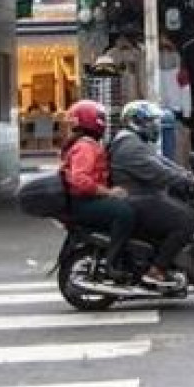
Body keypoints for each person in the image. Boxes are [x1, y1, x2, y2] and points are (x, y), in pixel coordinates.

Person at [108, 100, 194, 287]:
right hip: (138, 199)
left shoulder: (134, 142)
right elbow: (159, 172)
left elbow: (163, 163)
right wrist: (188, 181)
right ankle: (157, 270)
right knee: (188, 220)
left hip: (143, 196)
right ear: (136, 122)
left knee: (180, 208)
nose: (155, 126)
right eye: (151, 122)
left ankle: (166, 261)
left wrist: (191, 176)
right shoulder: (130, 147)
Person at [60, 99, 134, 277]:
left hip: (85, 200)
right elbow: (80, 179)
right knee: (124, 214)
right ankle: (112, 263)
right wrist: (109, 193)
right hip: (83, 203)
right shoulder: (85, 147)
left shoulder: (86, 144)